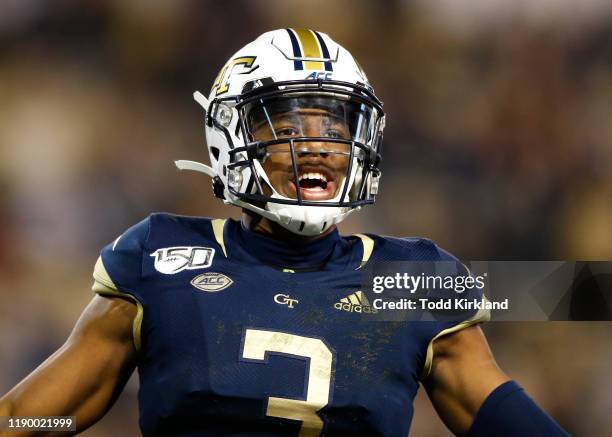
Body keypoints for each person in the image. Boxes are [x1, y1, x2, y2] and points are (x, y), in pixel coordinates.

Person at [0, 29, 569, 436]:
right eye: (289, 124)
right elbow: (36, 419)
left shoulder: (414, 280)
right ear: (231, 141)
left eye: (334, 124)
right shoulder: (163, 257)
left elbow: (501, 411)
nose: (317, 142)